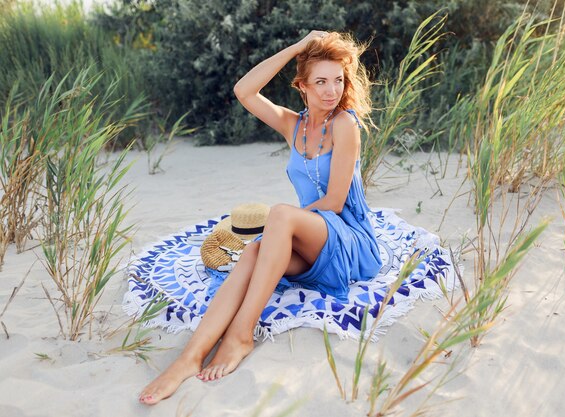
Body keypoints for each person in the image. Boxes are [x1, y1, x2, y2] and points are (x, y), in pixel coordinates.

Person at [139, 30, 382, 405]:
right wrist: (298, 47)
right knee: (253, 253)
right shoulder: (293, 124)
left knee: (279, 217)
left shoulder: (344, 125)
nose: (331, 90)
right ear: (302, 86)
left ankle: (240, 334)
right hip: (312, 237)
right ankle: (190, 356)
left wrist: (280, 224)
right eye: (320, 81)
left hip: (349, 240)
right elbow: (244, 91)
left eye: (338, 80)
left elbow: (334, 202)